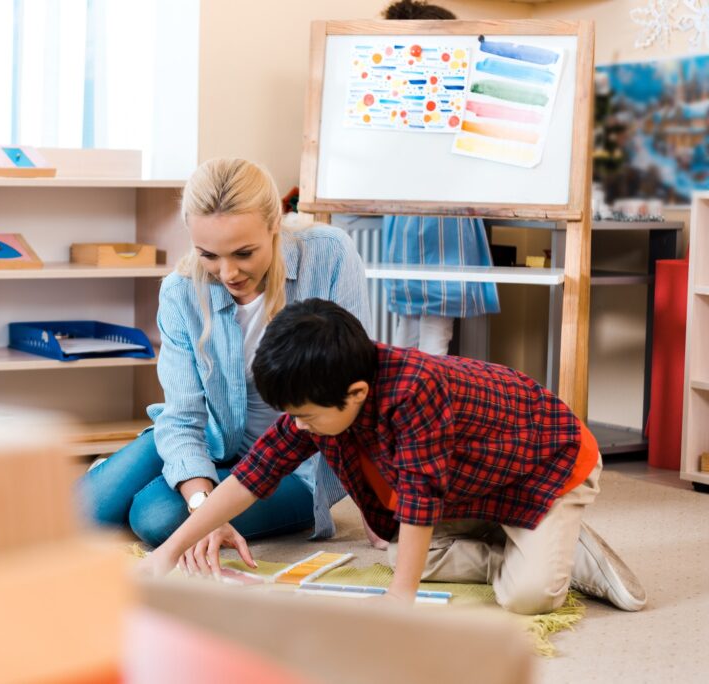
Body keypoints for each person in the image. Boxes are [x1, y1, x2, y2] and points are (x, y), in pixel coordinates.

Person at [139, 298, 647, 615]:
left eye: (307, 417)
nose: (297, 427)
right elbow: (253, 475)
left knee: (527, 598)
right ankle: (521, 542)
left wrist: (400, 600)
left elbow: (421, 495)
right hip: (477, 476)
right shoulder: (322, 391)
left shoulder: (413, 390)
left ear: (356, 392)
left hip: (550, 464)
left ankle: (565, 549)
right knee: (395, 547)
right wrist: (167, 553)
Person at [79, 158, 372, 562]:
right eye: (208, 255)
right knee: (78, 514)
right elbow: (183, 416)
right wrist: (204, 505)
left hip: (291, 464)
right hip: (212, 439)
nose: (227, 272)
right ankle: (167, 472)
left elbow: (354, 377)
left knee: (155, 517)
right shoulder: (181, 292)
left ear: (275, 226)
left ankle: (174, 485)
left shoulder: (329, 254)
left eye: (244, 253)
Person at [382, 0, 500, 355]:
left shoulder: (407, 95)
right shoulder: (419, 96)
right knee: (425, 324)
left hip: (432, 216)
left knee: (419, 323)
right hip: (429, 216)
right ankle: (415, 397)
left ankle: (408, 396)